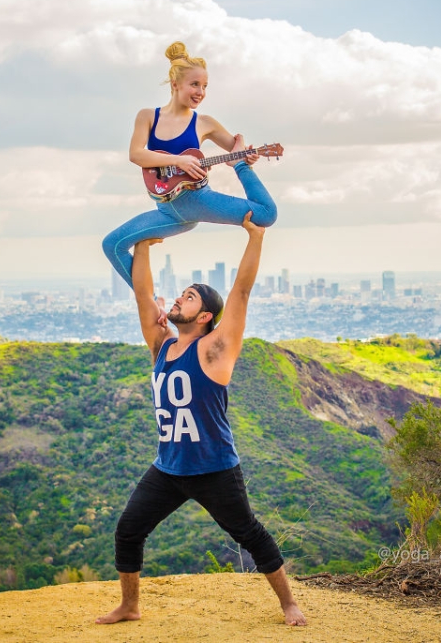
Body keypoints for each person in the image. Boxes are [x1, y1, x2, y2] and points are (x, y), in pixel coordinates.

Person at [95, 213, 307, 627]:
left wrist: (255, 237)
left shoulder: (214, 351)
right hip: (168, 468)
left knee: (249, 534)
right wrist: (141, 246)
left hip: (214, 470)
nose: (178, 299)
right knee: (128, 530)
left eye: (190, 297)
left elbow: (241, 293)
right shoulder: (161, 346)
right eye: (181, 294)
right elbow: (143, 296)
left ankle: (289, 604)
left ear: (206, 315)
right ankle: (130, 605)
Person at [102, 41, 278, 289]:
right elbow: (136, 154)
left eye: (205, 86)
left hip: (198, 202)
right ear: (175, 84)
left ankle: (241, 172)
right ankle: (152, 304)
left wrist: (244, 161)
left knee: (267, 214)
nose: (201, 92)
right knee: (112, 245)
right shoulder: (147, 116)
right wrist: (177, 159)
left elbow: (235, 151)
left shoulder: (205, 122)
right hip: (167, 211)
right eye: (195, 84)